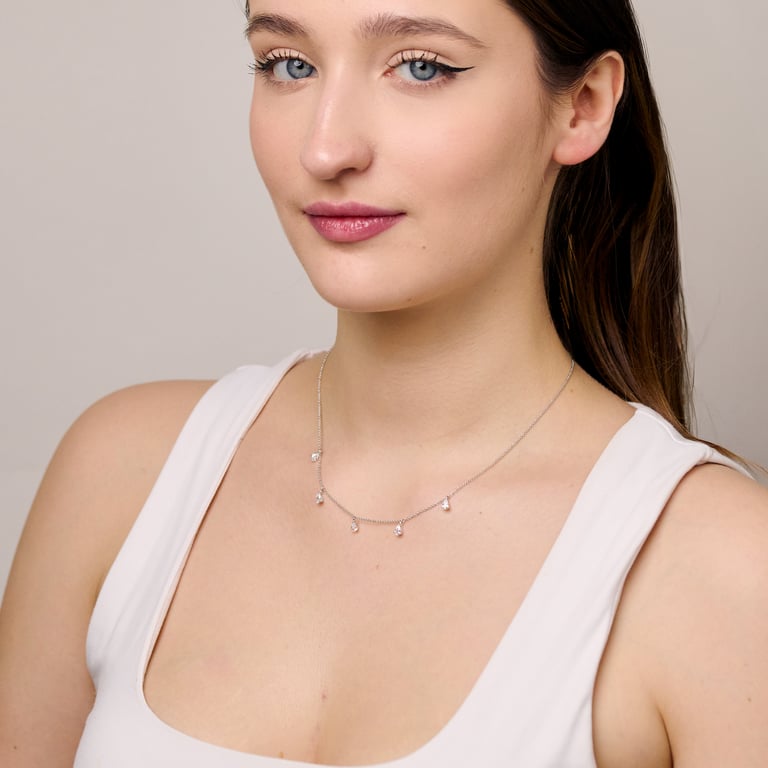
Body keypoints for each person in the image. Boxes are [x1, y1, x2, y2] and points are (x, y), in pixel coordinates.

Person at [1, 0, 766, 765]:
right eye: (288, 64)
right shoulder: (122, 474)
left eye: (421, 67)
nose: (326, 148)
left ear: (584, 105)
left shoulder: (720, 566)